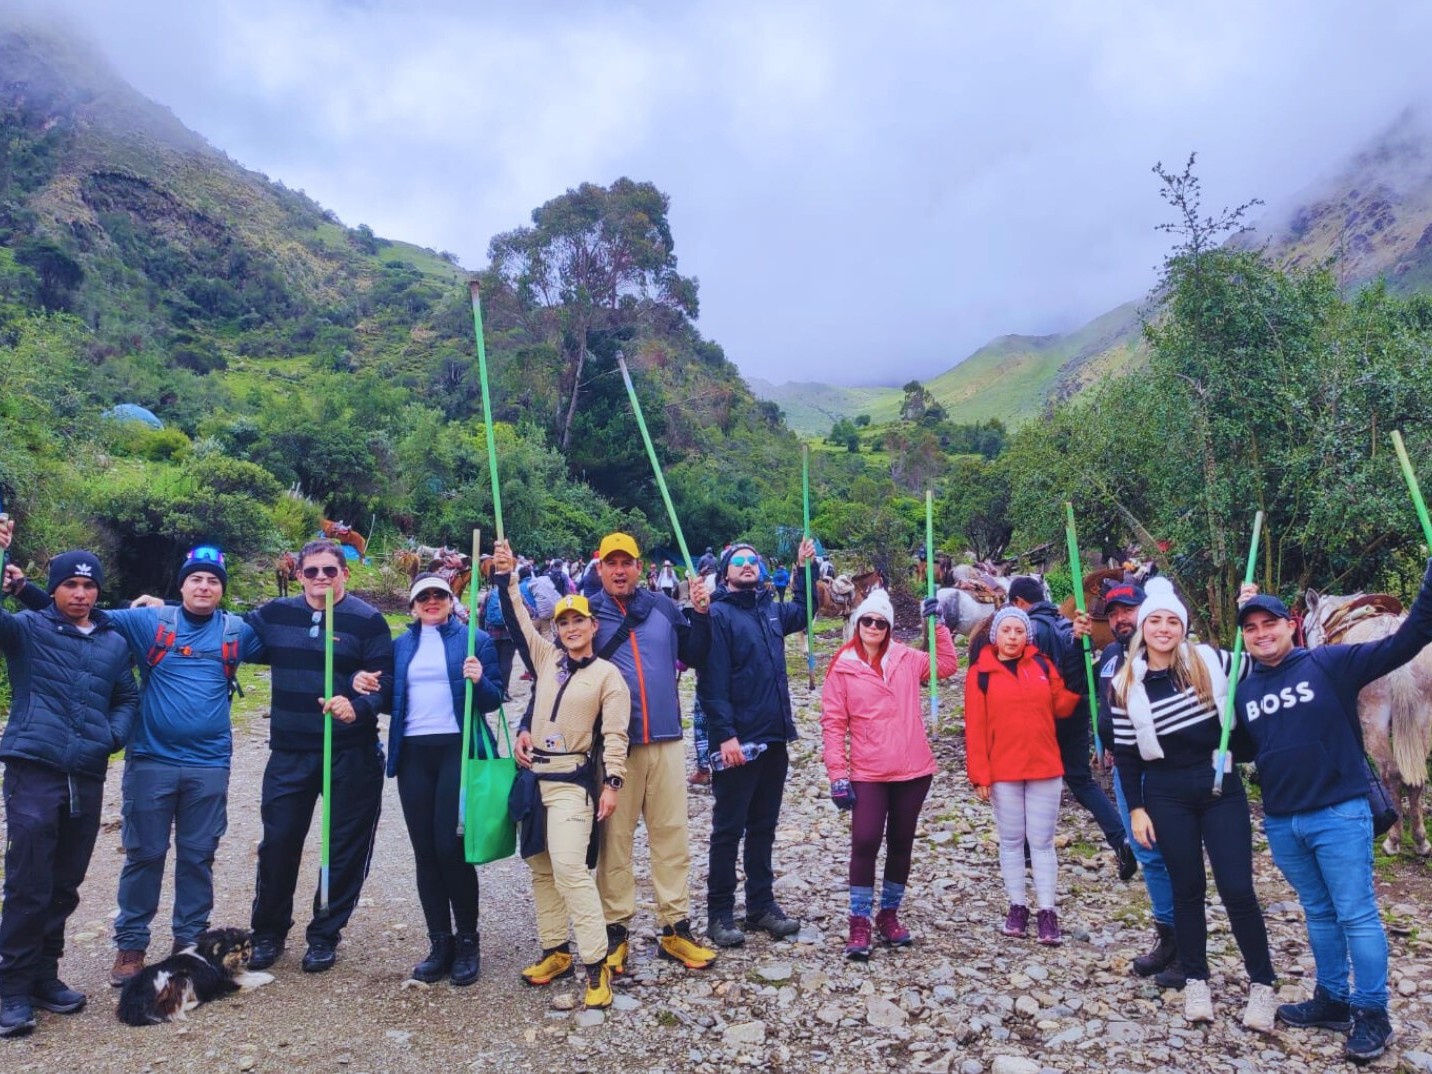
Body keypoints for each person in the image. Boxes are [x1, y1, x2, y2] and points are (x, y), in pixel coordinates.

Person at [1236, 559, 1432, 1063]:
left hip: (1339, 814)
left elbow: (1405, 641)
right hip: (1283, 821)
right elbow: (1242, 745)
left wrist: (1428, 581)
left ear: (1290, 626)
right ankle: (1332, 999)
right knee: (1319, 913)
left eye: (1269, 624)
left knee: (1356, 914)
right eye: (1251, 628)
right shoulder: (1246, 690)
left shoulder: (1330, 664)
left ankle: (1373, 1013)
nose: (1261, 634)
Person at [537, 533, 716, 974]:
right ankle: (616, 931)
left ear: (641, 568)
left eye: (628, 562)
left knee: (671, 837)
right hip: (613, 749)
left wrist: (704, 614)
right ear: (599, 569)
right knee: (615, 843)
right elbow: (553, 679)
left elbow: (695, 654)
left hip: (667, 739)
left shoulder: (663, 607)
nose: (620, 570)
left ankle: (675, 927)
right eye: (611, 563)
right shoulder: (585, 614)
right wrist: (528, 725)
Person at [90, 547, 264, 987]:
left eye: (213, 581)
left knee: (197, 857)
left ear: (222, 590)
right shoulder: (152, 622)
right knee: (144, 854)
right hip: (152, 760)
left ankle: (189, 942)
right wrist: (20, 587)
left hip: (209, 764)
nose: (204, 587)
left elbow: (295, 641)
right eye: (196, 580)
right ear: (181, 585)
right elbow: (83, 610)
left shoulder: (237, 630)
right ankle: (131, 945)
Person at [1109, 577, 1276, 1031]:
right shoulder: (1126, 684)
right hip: (1165, 792)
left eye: (1172, 621)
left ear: (1183, 627)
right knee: (1187, 890)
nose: (1164, 628)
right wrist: (1138, 809)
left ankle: (1262, 985)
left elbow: (1259, 655)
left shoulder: (1212, 661)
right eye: (1155, 621)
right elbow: (1126, 755)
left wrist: (1249, 608)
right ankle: (1197, 979)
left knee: (1238, 889)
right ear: (1143, 627)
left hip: (1219, 785)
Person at [0, 530, 139, 1038]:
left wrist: (112, 736)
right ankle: (10, 987)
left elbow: (127, 697)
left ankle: (43, 975)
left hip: (86, 772)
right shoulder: (26, 629)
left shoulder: (112, 641)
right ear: (53, 588)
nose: (80, 594)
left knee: (64, 884)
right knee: (28, 881)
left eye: (88, 586)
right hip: (34, 768)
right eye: (70, 585)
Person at [241, 538, 394, 974]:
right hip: (290, 752)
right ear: (299, 574)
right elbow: (223, 626)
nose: (321, 578)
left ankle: (325, 933)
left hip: (350, 752)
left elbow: (387, 686)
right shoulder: (275, 614)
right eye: (312, 572)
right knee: (279, 844)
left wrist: (357, 704)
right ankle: (268, 932)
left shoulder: (368, 621)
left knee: (344, 847)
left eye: (330, 570)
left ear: (345, 573)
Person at [494, 540, 629, 1010]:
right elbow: (515, 619)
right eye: (563, 622)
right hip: (534, 779)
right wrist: (506, 578)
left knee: (572, 870)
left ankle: (596, 966)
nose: (571, 628)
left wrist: (612, 784)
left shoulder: (607, 676)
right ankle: (555, 950)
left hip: (573, 783)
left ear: (593, 626)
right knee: (540, 868)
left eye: (579, 621)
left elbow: (615, 736)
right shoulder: (547, 659)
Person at [354, 573, 502, 985]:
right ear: (413, 605)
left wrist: (478, 679)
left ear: (452, 600)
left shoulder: (477, 641)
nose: (432, 601)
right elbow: (386, 698)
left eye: (439, 594)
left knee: (450, 846)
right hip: (414, 752)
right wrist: (362, 686)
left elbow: (493, 699)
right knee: (425, 851)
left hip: (457, 748)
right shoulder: (399, 647)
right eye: (424, 597)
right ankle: (440, 942)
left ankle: (469, 940)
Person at [820, 589, 956, 958]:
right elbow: (833, 724)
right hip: (867, 771)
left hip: (913, 769)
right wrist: (837, 774)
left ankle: (889, 914)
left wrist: (939, 625)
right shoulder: (843, 665)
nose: (873, 627)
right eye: (867, 620)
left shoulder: (907, 659)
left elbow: (946, 666)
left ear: (890, 627)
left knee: (901, 842)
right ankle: (859, 920)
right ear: (857, 623)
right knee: (864, 840)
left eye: (881, 622)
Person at [699, 539, 813, 947]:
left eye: (754, 561)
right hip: (737, 742)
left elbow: (805, 611)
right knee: (728, 829)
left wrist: (802, 570)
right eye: (739, 561)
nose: (748, 566)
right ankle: (720, 913)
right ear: (725, 573)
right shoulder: (717, 615)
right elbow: (711, 684)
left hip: (774, 735)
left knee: (764, 826)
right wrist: (725, 734)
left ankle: (761, 906)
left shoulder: (770, 610)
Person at [1077, 581, 1182, 987]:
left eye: (1129, 609)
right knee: (1147, 852)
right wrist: (1101, 742)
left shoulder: (1167, 656)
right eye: (1114, 611)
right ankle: (1168, 938)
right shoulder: (1109, 655)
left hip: (1165, 769)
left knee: (1177, 853)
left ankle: (1189, 946)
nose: (1121, 618)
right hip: (1125, 768)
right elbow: (1098, 699)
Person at [963, 605, 1079, 946]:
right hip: (1003, 768)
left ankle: (1046, 910)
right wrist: (980, 775)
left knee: (1042, 842)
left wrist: (1075, 658)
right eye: (1006, 631)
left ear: (1026, 635)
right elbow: (976, 727)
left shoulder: (1041, 665)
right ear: (995, 634)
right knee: (1012, 841)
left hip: (1044, 765)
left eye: (1018, 631)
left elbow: (1062, 705)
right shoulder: (980, 674)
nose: (1012, 637)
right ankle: (1017, 906)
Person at [1007, 576, 1134, 880]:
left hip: (1041, 715)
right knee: (1081, 780)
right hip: (1075, 711)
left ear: (1019, 603)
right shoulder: (1066, 624)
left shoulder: (1027, 631)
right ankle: (1120, 839)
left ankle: (1025, 849)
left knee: (1027, 779)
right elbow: (1075, 656)